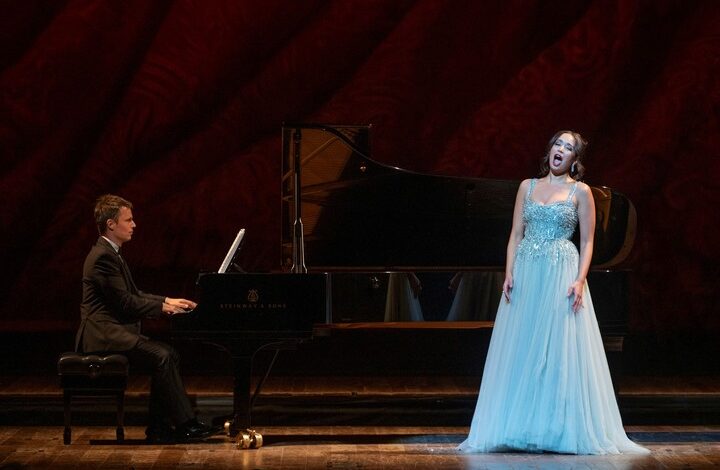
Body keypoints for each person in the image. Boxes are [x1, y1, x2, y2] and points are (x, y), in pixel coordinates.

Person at [458, 131, 649, 454]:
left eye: (569, 147)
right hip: (528, 270)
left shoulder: (581, 191)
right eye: (558, 144)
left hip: (561, 271)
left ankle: (555, 427)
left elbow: (587, 241)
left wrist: (580, 279)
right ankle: (518, 426)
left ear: (575, 160)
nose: (561, 150)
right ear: (549, 151)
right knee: (522, 346)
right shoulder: (527, 186)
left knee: (556, 349)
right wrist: (509, 271)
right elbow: (515, 234)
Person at [75, 194, 217, 443]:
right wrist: (163, 307)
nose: (134, 224)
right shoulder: (103, 257)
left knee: (167, 355)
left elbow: (134, 294)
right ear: (111, 224)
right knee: (163, 355)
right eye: (128, 220)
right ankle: (185, 424)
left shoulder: (111, 253)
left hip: (113, 332)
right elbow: (126, 303)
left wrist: (169, 300)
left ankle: (160, 428)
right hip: (104, 335)